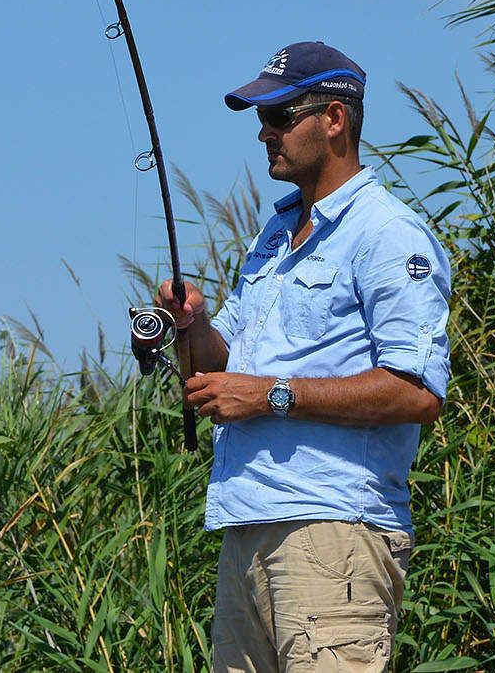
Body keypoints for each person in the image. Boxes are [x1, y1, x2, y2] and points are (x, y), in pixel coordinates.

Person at [155, 41, 452, 673]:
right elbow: (221, 366)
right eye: (261, 120)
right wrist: (192, 323)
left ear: (335, 120)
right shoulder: (275, 233)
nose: (265, 133)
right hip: (247, 528)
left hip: (335, 532)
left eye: (281, 116)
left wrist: (273, 395)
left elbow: (417, 392)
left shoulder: (386, 234)